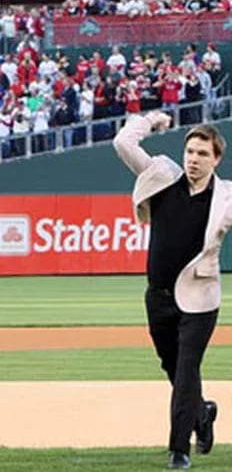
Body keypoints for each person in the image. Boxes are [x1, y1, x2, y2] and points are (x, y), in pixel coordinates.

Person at [113, 111, 229, 470]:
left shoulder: (225, 197)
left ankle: (179, 449)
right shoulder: (161, 177)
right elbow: (123, 142)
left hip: (200, 299)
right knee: (173, 367)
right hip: (158, 297)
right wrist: (152, 119)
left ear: (217, 159)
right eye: (190, 151)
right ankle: (202, 413)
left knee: (187, 368)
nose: (194, 159)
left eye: (203, 154)